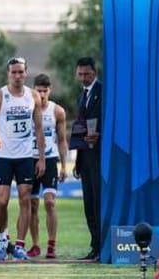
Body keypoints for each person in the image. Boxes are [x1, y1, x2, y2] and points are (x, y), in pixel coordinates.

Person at [0, 57, 46, 261]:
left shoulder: (33, 96)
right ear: (8, 73)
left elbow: (39, 128)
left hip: (25, 156)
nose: (18, 75)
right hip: (3, 156)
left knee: (25, 198)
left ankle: (20, 244)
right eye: (14, 72)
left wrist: (42, 158)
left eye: (21, 72)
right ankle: (3, 238)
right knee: (1, 200)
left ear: (26, 73)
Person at [27, 74, 68, 259]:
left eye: (45, 90)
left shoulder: (57, 111)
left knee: (50, 202)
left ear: (50, 90)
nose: (42, 94)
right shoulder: (26, 108)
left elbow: (61, 139)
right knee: (32, 205)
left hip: (50, 159)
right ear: (33, 89)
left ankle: (51, 245)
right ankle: (35, 245)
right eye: (38, 90)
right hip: (29, 159)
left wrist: (64, 165)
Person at [72, 56, 102, 261]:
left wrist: (101, 134)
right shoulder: (81, 96)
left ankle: (102, 246)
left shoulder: (104, 91)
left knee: (99, 203)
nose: (83, 78)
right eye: (80, 74)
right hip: (86, 157)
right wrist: (77, 161)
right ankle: (95, 246)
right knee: (89, 204)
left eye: (87, 74)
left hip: (101, 157)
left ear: (95, 72)